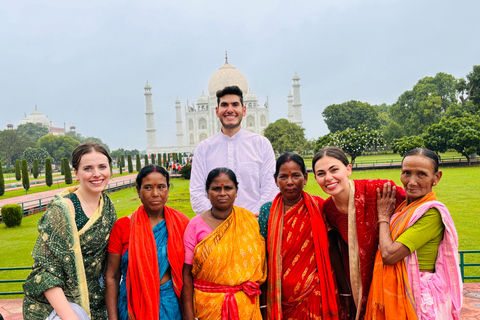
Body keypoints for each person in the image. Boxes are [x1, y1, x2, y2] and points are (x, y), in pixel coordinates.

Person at [23, 142, 117, 320]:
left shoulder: (107, 206)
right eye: (88, 168)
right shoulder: (63, 210)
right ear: (76, 173)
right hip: (60, 307)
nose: (97, 174)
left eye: (102, 167)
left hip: (96, 300)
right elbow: (46, 272)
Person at [366, 148, 462, 319]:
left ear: (436, 178)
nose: (411, 181)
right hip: (403, 292)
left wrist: (383, 216)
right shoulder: (404, 209)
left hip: (418, 297)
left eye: (422, 174)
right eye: (406, 173)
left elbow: (389, 254)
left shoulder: (431, 213)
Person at [312, 146, 406, 320]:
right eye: (321, 173)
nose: (329, 178)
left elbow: (415, 210)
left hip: (394, 275)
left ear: (348, 169)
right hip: (360, 284)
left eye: (334, 170)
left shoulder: (378, 190)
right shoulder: (329, 210)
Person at [258, 153, 339, 319]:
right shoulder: (268, 211)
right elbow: (263, 258)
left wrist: (345, 292)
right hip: (280, 298)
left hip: (316, 293)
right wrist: (263, 301)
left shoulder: (319, 207)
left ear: (306, 178)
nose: (290, 182)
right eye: (283, 177)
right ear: (275, 180)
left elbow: (332, 250)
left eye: (296, 175)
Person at [105, 165, 190, 320]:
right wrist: (112, 317)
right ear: (138, 191)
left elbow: (188, 273)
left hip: (170, 305)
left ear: (168, 189)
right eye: (148, 187)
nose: (155, 194)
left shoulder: (181, 223)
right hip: (133, 306)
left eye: (161, 187)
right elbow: (112, 276)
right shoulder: (123, 227)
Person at [182, 167, 267, 320]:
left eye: (228, 188)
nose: (222, 193)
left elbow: (260, 265)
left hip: (246, 308)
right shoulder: (195, 226)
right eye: (215, 189)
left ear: (236, 191)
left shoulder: (248, 220)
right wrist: (188, 315)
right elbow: (187, 274)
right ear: (207, 193)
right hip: (208, 307)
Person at [189, 85, 278, 216]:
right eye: (224, 105)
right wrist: (219, 219)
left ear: (244, 110)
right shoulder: (203, 148)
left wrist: (245, 219)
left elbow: (270, 191)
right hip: (215, 228)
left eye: (235, 105)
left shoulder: (261, 144)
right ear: (216, 111)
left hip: (253, 225)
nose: (230, 110)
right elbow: (197, 194)